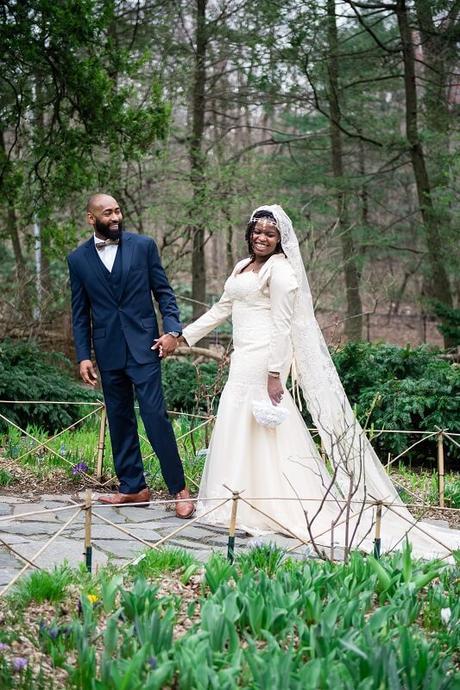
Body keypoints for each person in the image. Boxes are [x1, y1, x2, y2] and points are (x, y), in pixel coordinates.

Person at [180, 204, 460, 559]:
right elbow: (222, 308)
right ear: (249, 233)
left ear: (280, 239)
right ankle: (235, 497)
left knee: (265, 429)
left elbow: (283, 326)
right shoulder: (241, 267)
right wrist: (184, 336)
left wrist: (275, 373)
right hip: (242, 359)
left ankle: (269, 501)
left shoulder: (281, 273)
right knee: (237, 424)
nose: (262, 238)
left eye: (270, 233)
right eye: (257, 231)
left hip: (265, 359)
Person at [67, 193, 194, 518]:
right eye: (107, 213)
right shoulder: (78, 259)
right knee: (120, 418)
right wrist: (84, 355)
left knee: (154, 417)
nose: (115, 218)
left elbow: (164, 292)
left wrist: (173, 331)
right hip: (108, 352)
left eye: (118, 211)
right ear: (91, 218)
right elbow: (80, 313)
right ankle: (133, 487)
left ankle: (179, 488)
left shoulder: (143, 246)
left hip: (145, 347)